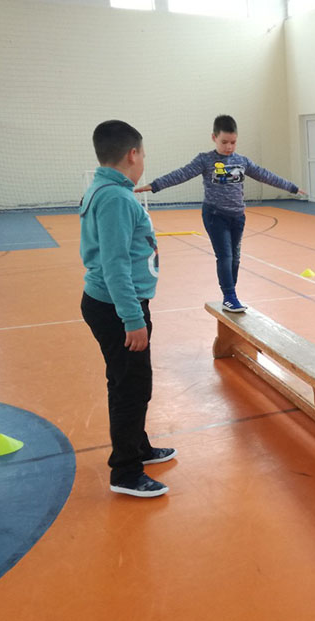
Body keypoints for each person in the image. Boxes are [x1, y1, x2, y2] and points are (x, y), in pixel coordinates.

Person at [80, 120, 176, 498]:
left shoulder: (106, 190)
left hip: (114, 304)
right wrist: (132, 318)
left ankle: (138, 447)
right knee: (131, 388)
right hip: (118, 308)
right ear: (132, 155)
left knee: (129, 382)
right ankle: (126, 470)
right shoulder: (117, 198)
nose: (143, 163)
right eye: (143, 156)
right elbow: (115, 264)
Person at [136, 115, 304, 313]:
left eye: (233, 142)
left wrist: (292, 188)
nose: (229, 147)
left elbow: (265, 175)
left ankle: (231, 294)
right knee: (225, 256)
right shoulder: (205, 160)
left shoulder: (242, 161)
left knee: (235, 259)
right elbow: (181, 174)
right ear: (214, 137)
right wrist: (154, 185)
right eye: (224, 142)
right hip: (215, 215)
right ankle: (229, 296)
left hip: (237, 216)